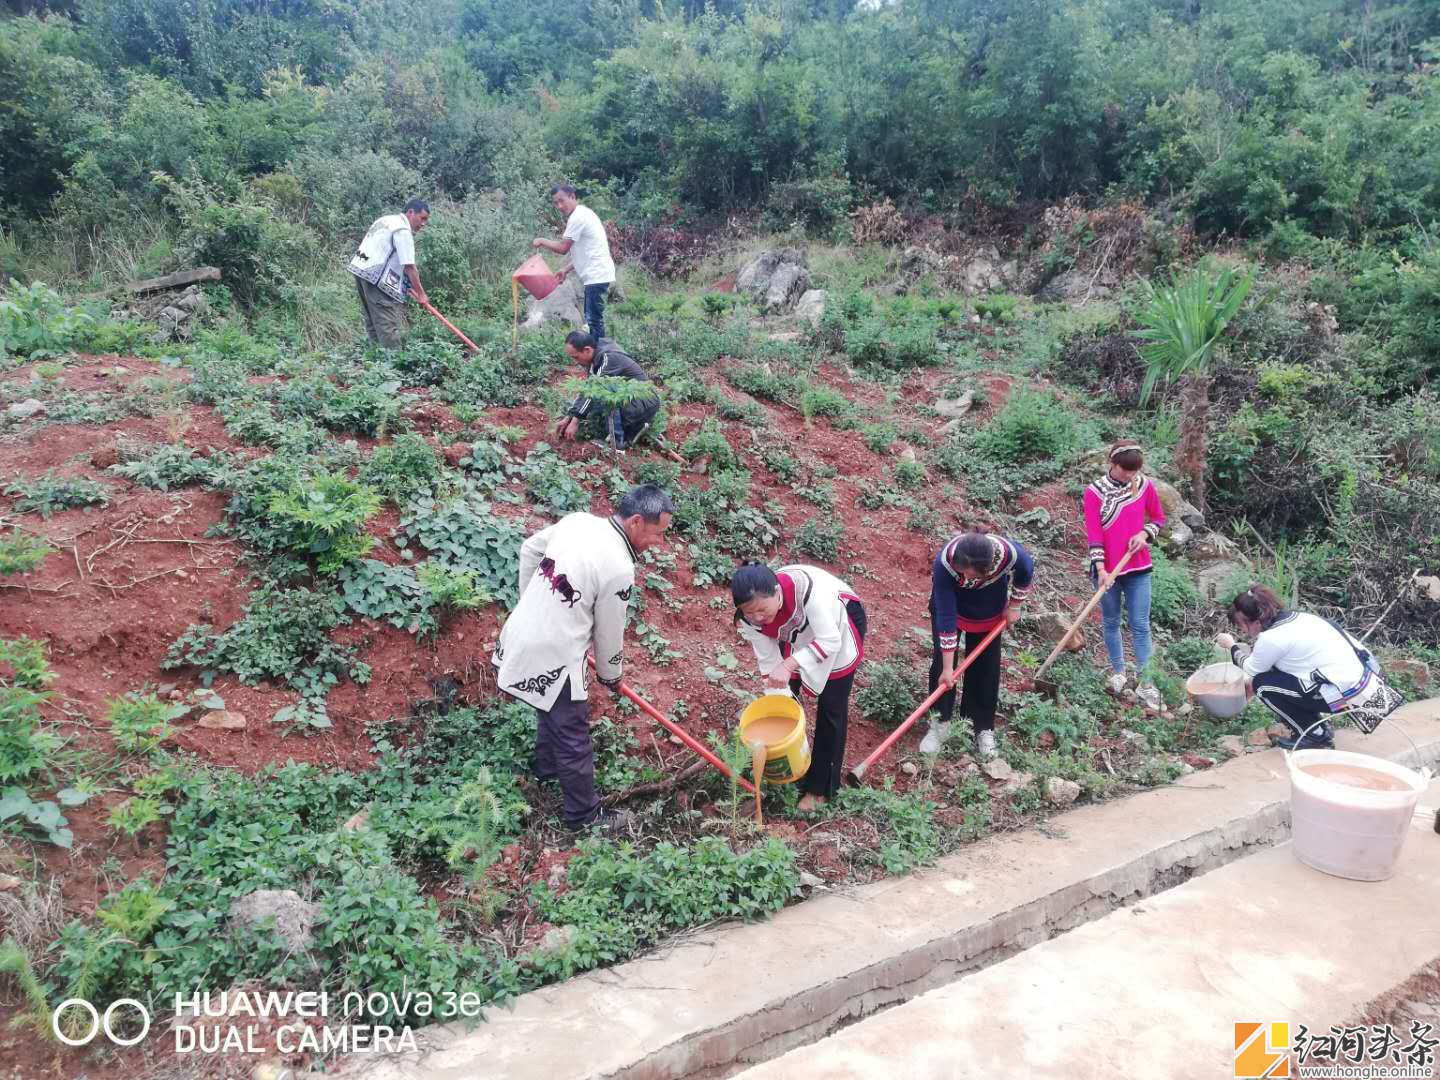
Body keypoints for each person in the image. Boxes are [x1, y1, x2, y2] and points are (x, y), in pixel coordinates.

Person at [493, 484, 674, 832]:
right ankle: (583, 817)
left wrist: (533, 603)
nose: (658, 543)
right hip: (554, 654)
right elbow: (609, 630)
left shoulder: (577, 521)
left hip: (519, 634)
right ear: (637, 521)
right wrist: (611, 675)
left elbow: (529, 549)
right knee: (573, 735)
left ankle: (545, 772)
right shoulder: (619, 566)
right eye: (657, 533)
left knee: (550, 711)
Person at [731, 563, 866, 813]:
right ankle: (795, 767)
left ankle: (821, 789)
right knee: (785, 697)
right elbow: (769, 662)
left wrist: (791, 662)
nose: (758, 617)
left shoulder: (809, 592)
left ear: (776, 591)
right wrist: (776, 695)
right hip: (794, 633)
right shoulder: (749, 619)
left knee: (832, 706)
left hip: (838, 624)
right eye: (751, 613)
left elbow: (829, 640)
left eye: (762, 609)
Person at [1216, 585, 1383, 751]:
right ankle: (1316, 727)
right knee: (1275, 675)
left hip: (1345, 698)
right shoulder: (1300, 618)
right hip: (1365, 686)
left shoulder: (1271, 638)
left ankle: (1315, 736)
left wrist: (1231, 645)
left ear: (1255, 621)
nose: (1242, 631)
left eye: (1241, 626)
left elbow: (1251, 669)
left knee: (1262, 685)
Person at [920, 532, 1034, 759]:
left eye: (967, 571)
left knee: (985, 668)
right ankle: (939, 723)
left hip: (989, 607)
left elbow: (1026, 569)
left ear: (986, 568)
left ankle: (980, 727)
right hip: (951, 606)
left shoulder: (1010, 555)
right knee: (941, 666)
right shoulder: (946, 563)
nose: (962, 573)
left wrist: (1015, 606)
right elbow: (945, 615)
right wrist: (947, 668)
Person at [1084, 440, 1167, 711]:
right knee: (1110, 621)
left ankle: (1146, 683)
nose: (1130, 476)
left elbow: (1158, 518)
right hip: (1107, 569)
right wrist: (1101, 570)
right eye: (1124, 471)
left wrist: (1144, 534)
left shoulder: (1144, 486)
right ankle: (1118, 672)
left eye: (1134, 471)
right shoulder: (1094, 492)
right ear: (1113, 463)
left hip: (1138, 567)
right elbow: (1094, 532)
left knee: (1140, 625)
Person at [532, 185, 615, 342]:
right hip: (596, 275)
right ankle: (598, 358)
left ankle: (602, 360)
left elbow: (563, 248)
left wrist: (542, 241)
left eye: (562, 201)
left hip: (596, 276)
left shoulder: (578, 217)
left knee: (594, 323)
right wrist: (566, 269)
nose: (559, 206)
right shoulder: (583, 213)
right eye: (555, 203)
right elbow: (586, 251)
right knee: (593, 322)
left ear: (572, 196)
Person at [556, 331, 659, 451]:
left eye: (576, 357)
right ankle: (626, 434)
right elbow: (587, 389)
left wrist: (575, 421)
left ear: (587, 350)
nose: (575, 361)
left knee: (605, 389)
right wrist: (569, 417)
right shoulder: (596, 358)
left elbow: (595, 389)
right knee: (598, 395)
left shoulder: (608, 358)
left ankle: (617, 443)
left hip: (644, 402)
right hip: (632, 402)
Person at [348, 199, 431, 348]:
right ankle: (394, 364)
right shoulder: (403, 230)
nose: (423, 224)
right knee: (387, 323)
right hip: (377, 278)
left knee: (373, 320)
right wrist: (421, 294)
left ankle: (375, 360)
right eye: (422, 218)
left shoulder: (386, 220)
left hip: (361, 271)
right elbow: (409, 267)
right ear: (411, 212)